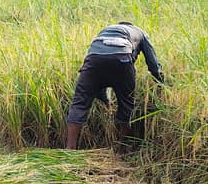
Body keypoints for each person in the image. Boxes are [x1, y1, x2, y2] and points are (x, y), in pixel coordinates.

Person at [65, 22, 165, 150]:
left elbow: (98, 75)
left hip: (93, 61)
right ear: (131, 25)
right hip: (122, 59)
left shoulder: (105, 31)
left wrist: (106, 100)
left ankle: (70, 148)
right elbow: (153, 64)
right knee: (126, 104)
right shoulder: (140, 32)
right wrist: (162, 83)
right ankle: (121, 148)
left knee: (79, 103)